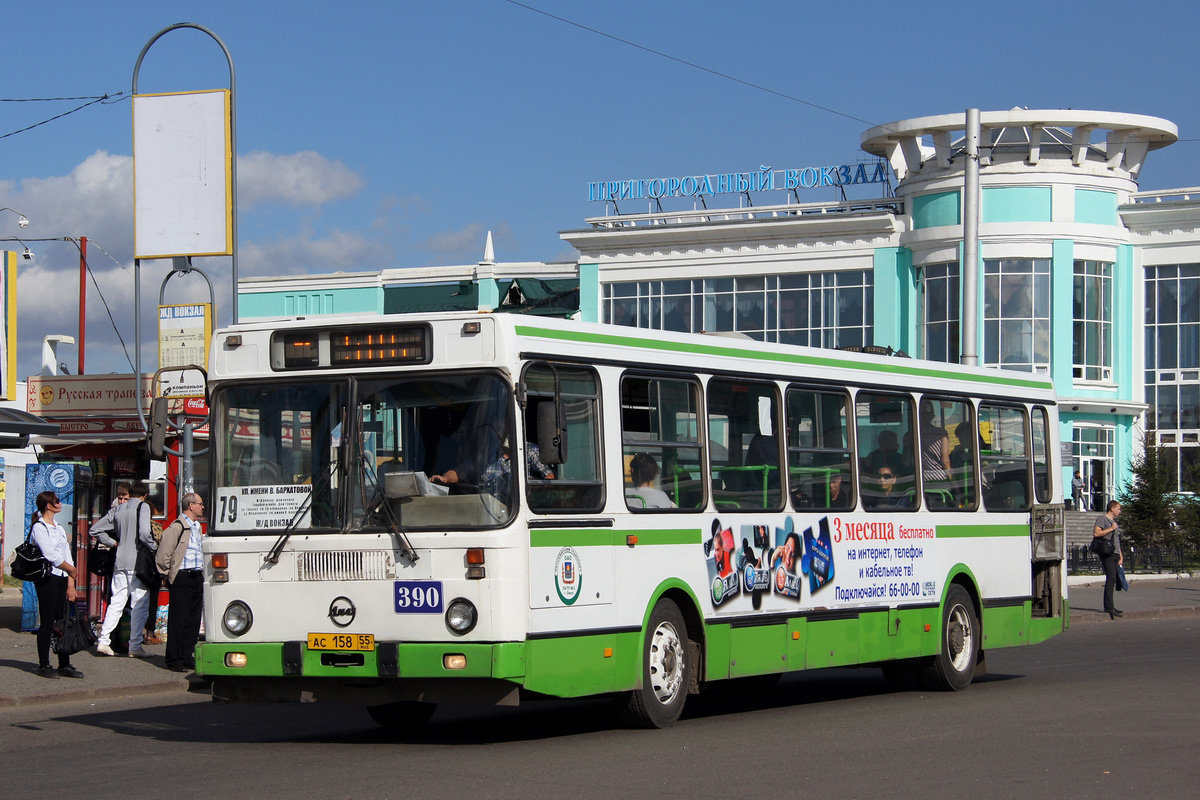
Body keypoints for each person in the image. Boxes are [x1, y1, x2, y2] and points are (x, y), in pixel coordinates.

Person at [92, 482, 158, 658]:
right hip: (137, 562)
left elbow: (95, 529)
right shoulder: (142, 507)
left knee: (116, 602)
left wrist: (113, 543)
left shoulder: (118, 509)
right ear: (144, 496)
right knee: (139, 604)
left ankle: (104, 641)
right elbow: (144, 533)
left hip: (119, 561)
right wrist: (154, 547)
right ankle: (134, 645)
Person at [29, 491, 84, 679]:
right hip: (47, 578)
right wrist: (71, 569)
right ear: (48, 506)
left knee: (63, 622)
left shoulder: (59, 527)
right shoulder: (40, 527)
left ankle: (64, 663)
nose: (60, 504)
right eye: (56, 501)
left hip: (62, 576)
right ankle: (44, 664)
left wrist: (71, 581)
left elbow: (67, 553)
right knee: (47, 622)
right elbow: (50, 555)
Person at [156, 493, 206, 672]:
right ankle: (174, 659)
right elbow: (163, 554)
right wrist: (168, 575)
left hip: (197, 576)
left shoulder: (197, 527)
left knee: (193, 619)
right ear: (191, 506)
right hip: (182, 577)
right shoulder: (177, 527)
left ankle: (186, 655)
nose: (202, 507)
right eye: (200, 504)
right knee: (179, 619)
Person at [1093, 501, 1123, 619]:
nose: (1119, 511)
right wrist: (1110, 528)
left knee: (1114, 579)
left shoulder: (1114, 522)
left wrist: (1120, 555)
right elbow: (1096, 533)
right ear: (1112, 508)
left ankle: (1111, 606)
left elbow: (1116, 540)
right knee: (1111, 578)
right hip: (1107, 553)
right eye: (1118, 509)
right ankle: (1109, 606)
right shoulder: (1102, 519)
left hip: (1115, 553)